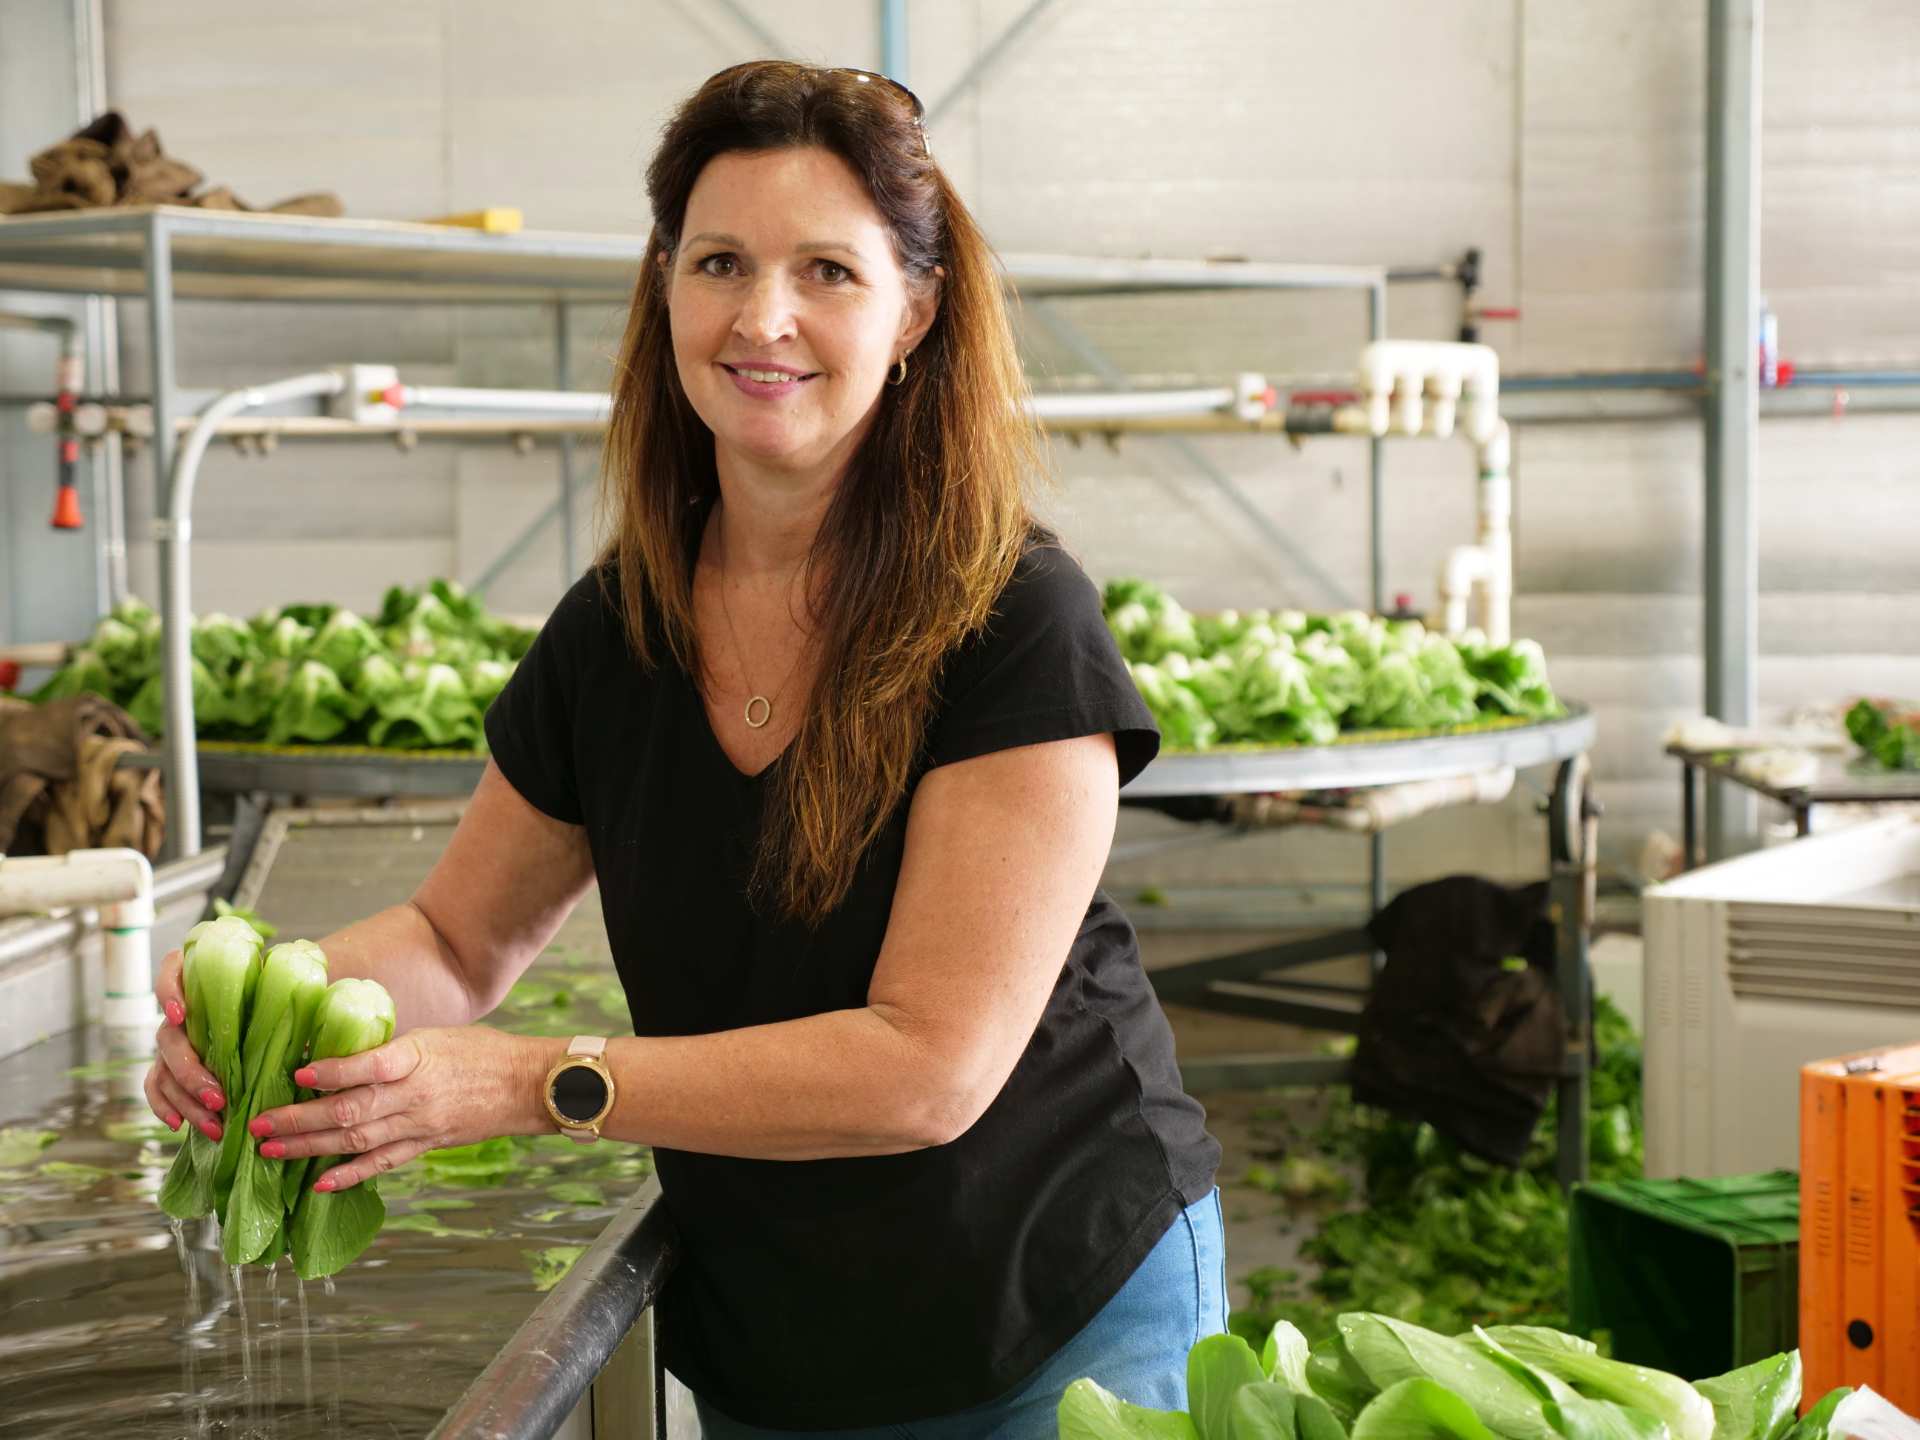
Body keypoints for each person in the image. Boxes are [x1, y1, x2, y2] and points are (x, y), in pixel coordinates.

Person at [144, 60, 1222, 1437]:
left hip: (1056, 1312)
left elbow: (927, 1067)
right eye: (720, 262)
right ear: (665, 296)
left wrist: (536, 1084)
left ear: (916, 314)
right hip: (782, 1344)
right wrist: (250, 1022)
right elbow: (458, 944)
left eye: (827, 270)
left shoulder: (1014, 621)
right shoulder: (618, 631)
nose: (763, 316)